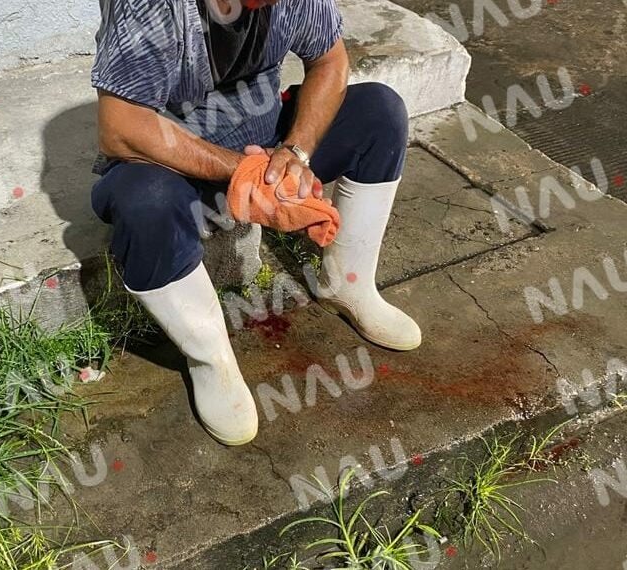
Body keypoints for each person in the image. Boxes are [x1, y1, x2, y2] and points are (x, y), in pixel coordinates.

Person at [90, 0, 421, 446]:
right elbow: (120, 127)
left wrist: (295, 153)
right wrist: (244, 173)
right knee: (144, 201)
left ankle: (349, 287)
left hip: (265, 145)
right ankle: (210, 360)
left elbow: (331, 62)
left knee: (380, 111)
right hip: (172, 165)